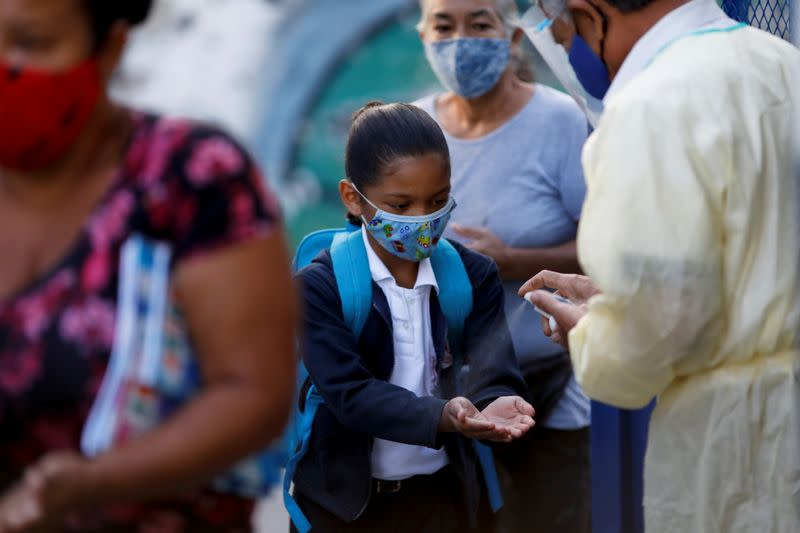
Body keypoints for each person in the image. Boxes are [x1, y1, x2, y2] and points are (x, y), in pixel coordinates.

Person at [0, 1, 297, 531]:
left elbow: (252, 393)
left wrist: (91, 484)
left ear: (111, 48)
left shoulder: (190, 178)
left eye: (31, 43)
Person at [520, 0, 800, 531]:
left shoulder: (649, 105)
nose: (566, 51)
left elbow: (653, 334)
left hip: (739, 454)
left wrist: (595, 329)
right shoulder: (782, 62)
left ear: (590, 13)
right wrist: (623, 296)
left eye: (563, 34)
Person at [291, 101, 535, 533]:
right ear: (353, 197)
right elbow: (350, 394)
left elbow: (493, 368)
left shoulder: (473, 276)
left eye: (437, 201)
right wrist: (442, 416)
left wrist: (493, 401)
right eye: (400, 206)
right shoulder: (319, 287)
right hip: (342, 508)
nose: (422, 220)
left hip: (441, 500)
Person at [414, 1, 591, 531]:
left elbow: (604, 249)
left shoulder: (559, 120)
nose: (460, 40)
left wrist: (510, 261)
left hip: (553, 384)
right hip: (446, 394)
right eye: (444, 26)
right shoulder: (414, 126)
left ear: (514, 38)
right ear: (423, 34)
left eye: (480, 23)